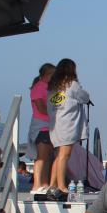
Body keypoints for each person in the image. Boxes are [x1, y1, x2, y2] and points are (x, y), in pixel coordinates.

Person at [45, 58, 92, 202]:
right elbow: (84, 97)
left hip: (55, 125)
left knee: (59, 155)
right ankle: (61, 186)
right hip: (68, 125)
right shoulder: (72, 84)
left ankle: (52, 185)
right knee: (64, 156)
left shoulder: (53, 86)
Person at [27, 63, 55, 195]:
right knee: (41, 158)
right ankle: (36, 184)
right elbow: (41, 108)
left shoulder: (49, 88)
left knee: (47, 158)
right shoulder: (39, 87)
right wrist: (54, 113)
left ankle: (44, 183)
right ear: (46, 75)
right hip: (41, 126)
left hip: (48, 126)